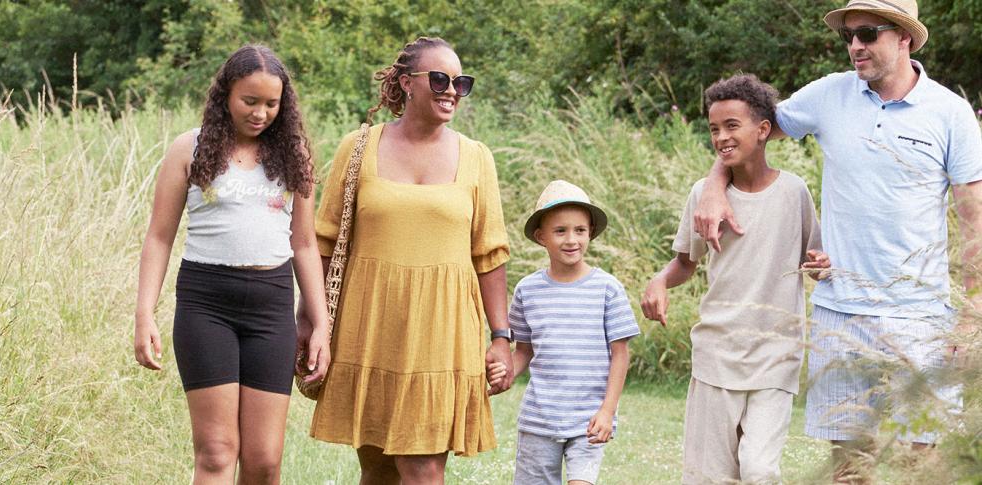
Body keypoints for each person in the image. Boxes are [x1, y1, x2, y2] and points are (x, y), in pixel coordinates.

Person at [691, 1, 982, 481]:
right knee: (850, 468)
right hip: (840, 314)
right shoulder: (828, 96)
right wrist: (713, 187)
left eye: (867, 34)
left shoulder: (950, 114)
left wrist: (972, 315)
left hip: (922, 318)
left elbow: (975, 225)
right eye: (848, 36)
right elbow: (748, 135)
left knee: (922, 464)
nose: (854, 47)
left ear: (903, 37)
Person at [299, 36, 515, 483]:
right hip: (371, 324)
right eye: (439, 78)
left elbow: (489, 255)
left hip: (443, 330)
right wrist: (311, 320)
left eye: (461, 82)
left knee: (423, 468)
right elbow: (323, 243)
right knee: (377, 467)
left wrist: (501, 337)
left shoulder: (476, 158)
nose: (451, 89)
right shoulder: (357, 148)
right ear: (405, 83)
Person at [132, 44, 331, 484]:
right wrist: (144, 313)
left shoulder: (294, 156)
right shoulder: (190, 149)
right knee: (218, 452)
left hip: (271, 309)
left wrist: (321, 324)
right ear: (226, 95)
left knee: (264, 460)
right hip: (206, 307)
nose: (261, 113)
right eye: (250, 101)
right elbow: (160, 237)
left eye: (271, 104)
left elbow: (303, 244)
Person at [642, 74, 829, 484]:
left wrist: (820, 265)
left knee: (760, 470)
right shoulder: (702, 196)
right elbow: (684, 264)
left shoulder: (794, 192)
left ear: (764, 131)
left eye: (732, 126)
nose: (721, 137)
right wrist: (658, 281)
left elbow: (813, 261)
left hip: (775, 356)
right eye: (713, 129)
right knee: (710, 476)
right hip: (717, 353)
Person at [503, 180, 640, 485]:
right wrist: (505, 375)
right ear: (541, 237)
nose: (571, 239)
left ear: (590, 232)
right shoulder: (528, 290)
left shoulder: (607, 289)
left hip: (589, 420)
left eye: (579, 230)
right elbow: (524, 351)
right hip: (539, 419)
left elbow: (620, 355)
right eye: (560, 231)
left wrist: (607, 411)